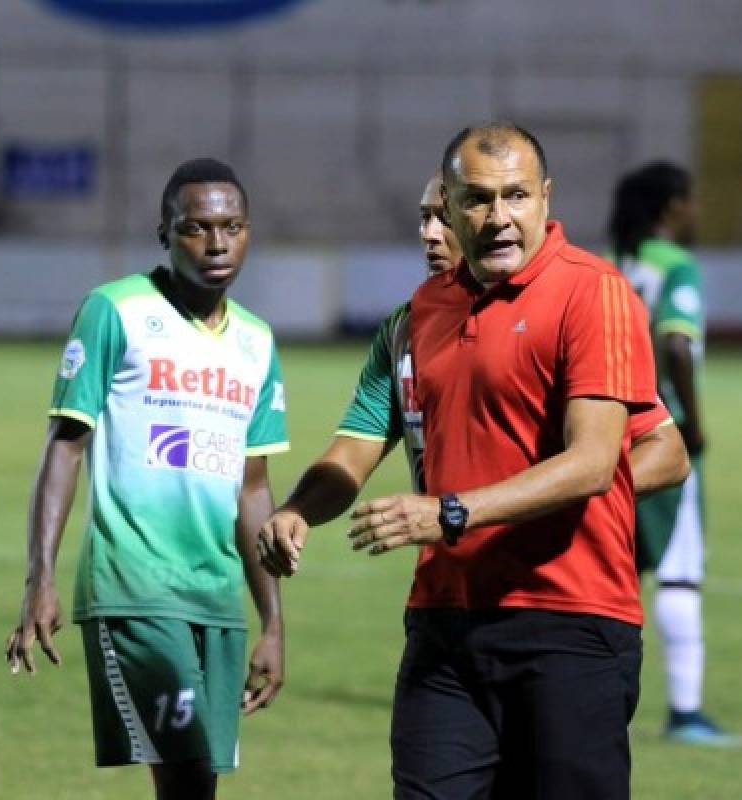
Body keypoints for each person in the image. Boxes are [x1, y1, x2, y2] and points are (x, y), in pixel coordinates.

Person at [265, 122, 670, 799]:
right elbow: (359, 444)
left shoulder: (592, 292)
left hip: (568, 617)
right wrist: (299, 509)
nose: (499, 216)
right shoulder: (419, 314)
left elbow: (599, 460)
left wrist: (452, 511)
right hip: (445, 619)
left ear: (546, 197)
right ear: (448, 206)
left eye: (516, 196)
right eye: (478, 200)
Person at [4, 158, 289, 800]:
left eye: (232, 226)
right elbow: (66, 446)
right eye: (196, 228)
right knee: (187, 779)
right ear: (164, 233)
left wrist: (272, 622)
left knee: (196, 787)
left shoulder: (257, 342)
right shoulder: (115, 311)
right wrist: (40, 579)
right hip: (133, 590)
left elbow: (253, 489)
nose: (217, 244)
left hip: (216, 600)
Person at [609, 161, 742, 747]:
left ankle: (590, 696)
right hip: (663, 434)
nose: (697, 212)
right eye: (690, 201)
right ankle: (686, 713)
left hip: (610, 432)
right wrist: (693, 424)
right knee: (681, 569)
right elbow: (676, 342)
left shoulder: (619, 267)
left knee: (617, 571)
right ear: (672, 208)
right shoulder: (677, 267)